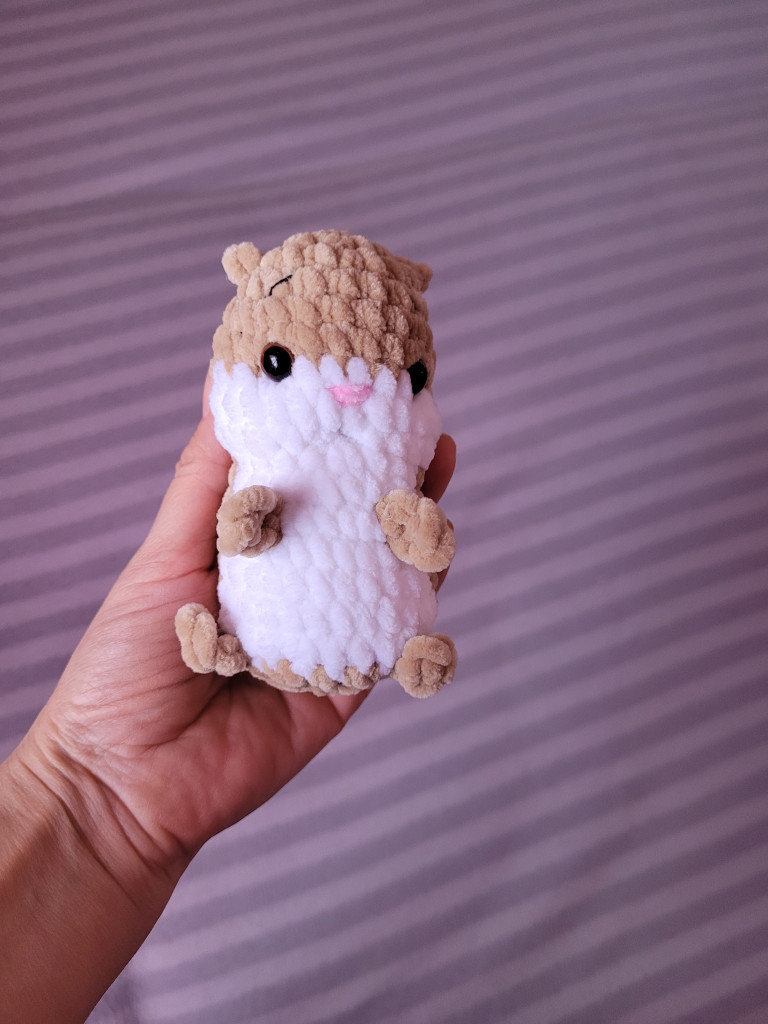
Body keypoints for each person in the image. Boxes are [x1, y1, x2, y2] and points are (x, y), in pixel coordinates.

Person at [0, 378, 456, 1024]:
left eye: (407, 377)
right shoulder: (261, 434)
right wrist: (89, 791)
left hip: (365, 637)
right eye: (276, 362)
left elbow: (417, 532)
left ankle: (405, 654)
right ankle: (232, 648)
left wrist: (91, 797)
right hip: (259, 645)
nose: (348, 390)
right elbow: (244, 525)